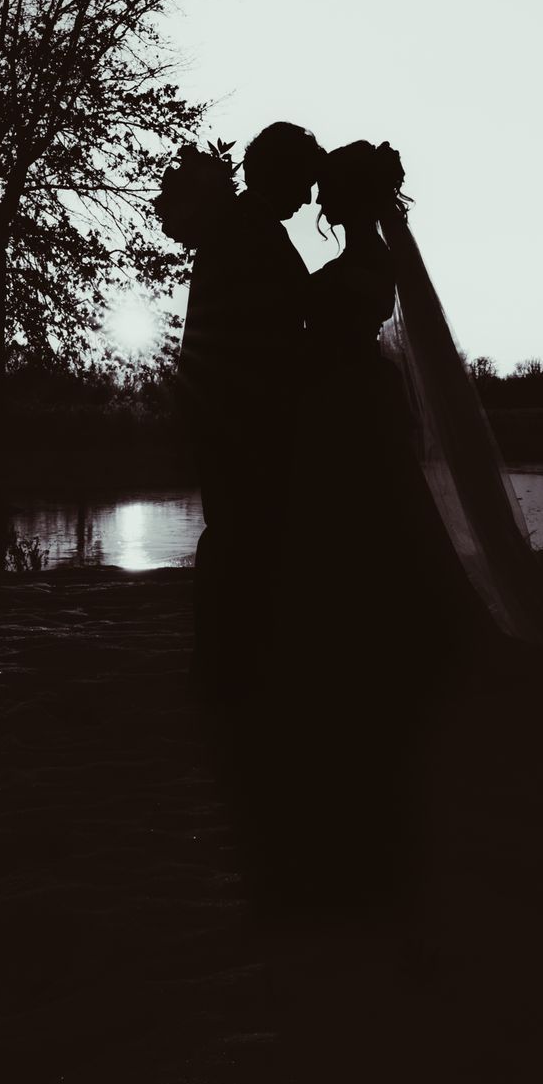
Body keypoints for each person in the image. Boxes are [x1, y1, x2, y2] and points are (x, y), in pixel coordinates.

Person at [167, 122, 325, 703]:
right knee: (241, 539)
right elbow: (257, 335)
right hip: (243, 420)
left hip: (235, 418)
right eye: (304, 182)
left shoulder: (244, 226)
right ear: (278, 174)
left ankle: (228, 667)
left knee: (241, 539)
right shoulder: (248, 231)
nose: (309, 198)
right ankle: (226, 672)